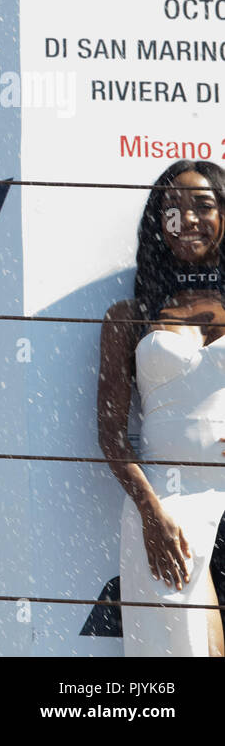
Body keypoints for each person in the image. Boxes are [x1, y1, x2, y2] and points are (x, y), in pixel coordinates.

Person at [98, 159, 225, 656]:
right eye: (172, 208)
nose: (187, 218)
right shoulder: (129, 316)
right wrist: (150, 513)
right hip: (169, 505)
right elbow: (110, 436)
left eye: (203, 205)